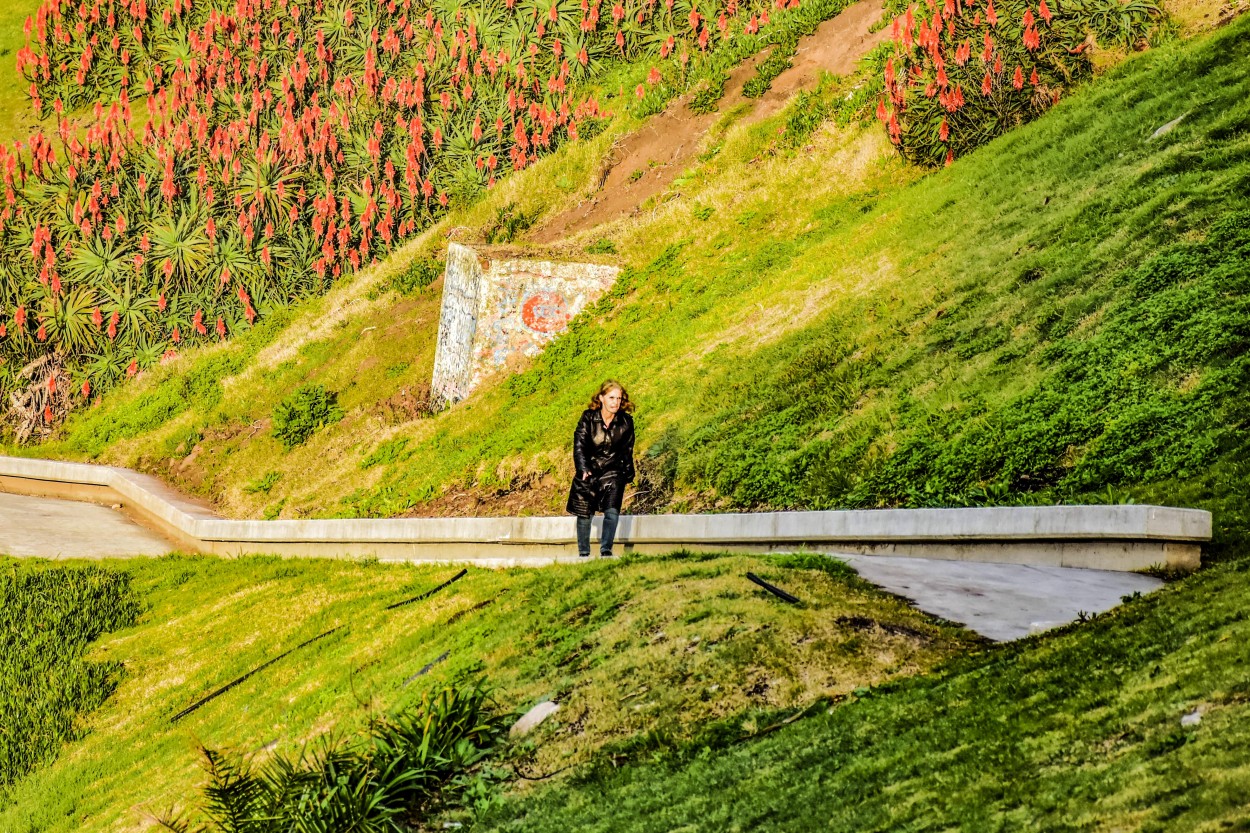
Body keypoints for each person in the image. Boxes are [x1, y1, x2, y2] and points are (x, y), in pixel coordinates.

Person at [566, 380, 636, 558]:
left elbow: (627, 449)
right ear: (601, 398)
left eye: (619, 398)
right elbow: (579, 444)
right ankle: (584, 553)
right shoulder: (588, 418)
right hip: (589, 469)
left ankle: (606, 550)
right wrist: (583, 467)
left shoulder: (626, 422)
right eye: (611, 397)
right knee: (584, 513)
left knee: (612, 511)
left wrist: (628, 472)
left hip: (613, 470)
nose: (615, 402)